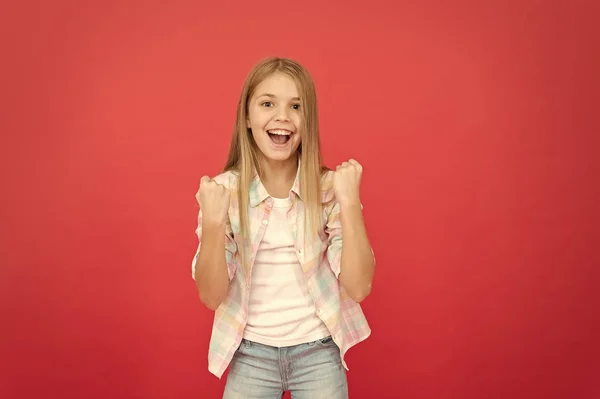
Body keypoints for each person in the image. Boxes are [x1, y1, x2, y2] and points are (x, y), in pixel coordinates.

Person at [192, 56, 375, 398]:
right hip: (250, 355)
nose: (282, 116)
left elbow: (359, 286)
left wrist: (350, 204)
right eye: (267, 104)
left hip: (318, 352)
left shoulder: (329, 189)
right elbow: (211, 295)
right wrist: (214, 225)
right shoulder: (223, 192)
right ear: (247, 117)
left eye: (296, 106)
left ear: (309, 120)